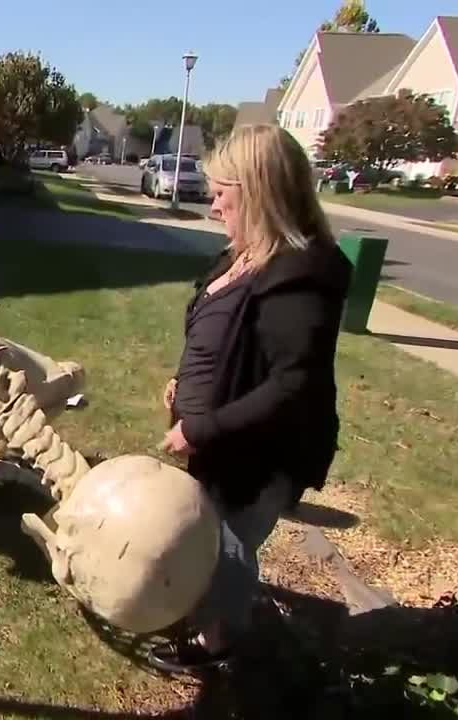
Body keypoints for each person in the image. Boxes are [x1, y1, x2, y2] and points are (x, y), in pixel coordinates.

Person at [148, 124, 353, 674]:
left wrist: (200, 427)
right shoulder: (242, 254)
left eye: (223, 195)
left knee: (225, 551)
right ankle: (208, 624)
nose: (213, 207)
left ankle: (224, 652)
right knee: (205, 543)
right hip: (218, 443)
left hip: (255, 456)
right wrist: (184, 382)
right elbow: (218, 333)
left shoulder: (299, 276)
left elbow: (293, 385)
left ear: (259, 193)